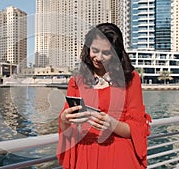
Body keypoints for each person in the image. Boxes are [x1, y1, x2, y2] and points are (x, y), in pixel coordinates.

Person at [56, 23, 151, 169]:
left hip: (120, 155)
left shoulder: (131, 78)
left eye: (106, 53)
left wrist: (112, 124)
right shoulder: (76, 81)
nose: (98, 58)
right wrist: (64, 119)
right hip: (86, 154)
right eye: (94, 50)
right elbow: (67, 127)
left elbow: (138, 129)